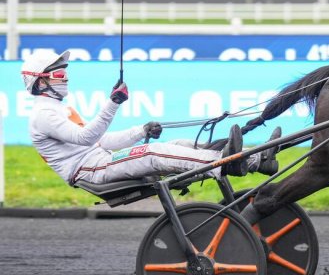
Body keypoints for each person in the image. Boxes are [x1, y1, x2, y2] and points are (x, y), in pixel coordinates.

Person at [21, 50, 280, 187]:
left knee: (178, 144)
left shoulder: (57, 109)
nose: (64, 77)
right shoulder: (43, 114)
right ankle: (225, 163)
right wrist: (113, 103)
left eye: (64, 72)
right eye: (58, 74)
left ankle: (259, 159)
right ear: (39, 81)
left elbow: (100, 141)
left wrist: (140, 130)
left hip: (99, 161)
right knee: (152, 152)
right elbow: (86, 137)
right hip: (90, 172)